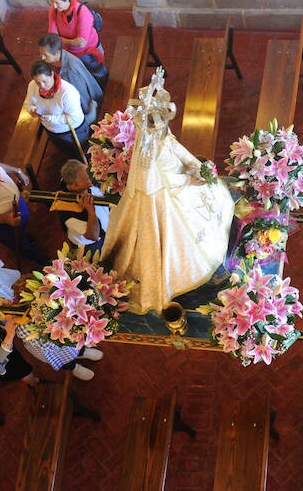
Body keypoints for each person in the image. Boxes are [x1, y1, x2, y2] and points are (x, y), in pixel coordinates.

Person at [101, 68, 235, 315]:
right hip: (160, 205)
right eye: (160, 124)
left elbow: (177, 152)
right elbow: (155, 187)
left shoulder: (161, 137)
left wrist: (198, 167)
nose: (163, 129)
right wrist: (189, 182)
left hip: (178, 190)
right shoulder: (147, 155)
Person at [44, 0, 107, 84]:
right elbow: (52, 37)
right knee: (80, 75)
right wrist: (72, 42)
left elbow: (81, 44)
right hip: (69, 52)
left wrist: (62, 40)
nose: (54, 6)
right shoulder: (54, 10)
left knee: (97, 73)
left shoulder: (82, 12)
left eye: (56, 2)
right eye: (51, 2)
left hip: (86, 53)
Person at [24, 60, 89, 159]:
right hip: (51, 129)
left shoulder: (67, 92)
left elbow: (74, 118)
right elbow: (28, 103)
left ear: (52, 75)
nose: (42, 86)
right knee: (66, 151)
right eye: (38, 83)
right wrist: (32, 110)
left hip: (72, 131)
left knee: (83, 153)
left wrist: (51, 119)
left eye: (45, 81)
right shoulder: (32, 85)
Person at [37, 33, 104, 113]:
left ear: (57, 52)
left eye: (45, 55)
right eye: (40, 53)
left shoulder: (70, 71)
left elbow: (82, 98)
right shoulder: (56, 57)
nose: (42, 57)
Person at [58, 159, 109, 253]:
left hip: (108, 228)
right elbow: (93, 236)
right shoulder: (68, 213)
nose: (92, 177)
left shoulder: (88, 184)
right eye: (87, 179)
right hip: (92, 246)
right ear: (74, 186)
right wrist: (90, 211)